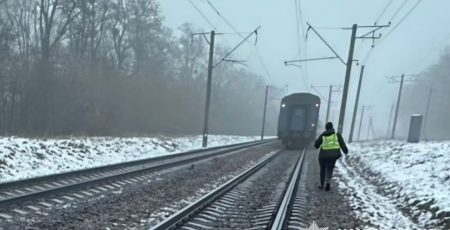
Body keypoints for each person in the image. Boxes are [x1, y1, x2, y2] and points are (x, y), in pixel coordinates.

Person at [314, 122, 348, 191]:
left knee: (322, 168)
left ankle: (322, 184)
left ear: (326, 128)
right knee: (330, 168)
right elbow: (342, 144)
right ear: (332, 127)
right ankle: (328, 182)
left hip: (323, 155)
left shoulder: (323, 135)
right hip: (333, 155)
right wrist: (346, 151)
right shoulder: (337, 135)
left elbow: (316, 145)